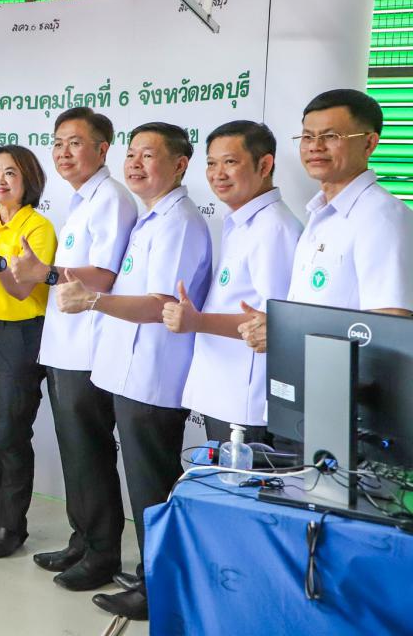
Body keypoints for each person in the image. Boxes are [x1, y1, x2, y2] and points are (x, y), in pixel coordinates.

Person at [56, 121, 212, 621]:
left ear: (180, 164)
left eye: (148, 155)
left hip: (153, 375)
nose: (135, 164)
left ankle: (158, 588)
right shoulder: (152, 218)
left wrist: (93, 300)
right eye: (131, 154)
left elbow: (161, 304)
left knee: (153, 488)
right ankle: (150, 574)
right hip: (130, 372)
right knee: (144, 485)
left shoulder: (179, 222)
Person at [11, 108, 137, 591]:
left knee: (90, 453)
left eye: (75, 143)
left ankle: (102, 554)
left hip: (88, 348)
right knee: (75, 453)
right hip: (65, 345)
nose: (63, 152)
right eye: (58, 143)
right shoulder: (82, 199)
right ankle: (82, 539)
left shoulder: (112, 199)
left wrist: (42, 273)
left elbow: (103, 276)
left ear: (103, 149)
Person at [240, 89, 413, 355]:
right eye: (308, 136)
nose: (315, 146)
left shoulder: (382, 217)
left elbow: (388, 328)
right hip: (309, 372)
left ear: (369, 143)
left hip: (349, 379)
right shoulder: (321, 212)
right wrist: (279, 327)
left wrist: (285, 331)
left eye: (331, 136)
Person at [163, 121, 301, 445]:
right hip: (224, 393)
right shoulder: (242, 222)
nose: (217, 174)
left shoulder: (274, 228)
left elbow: (272, 324)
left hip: (246, 404)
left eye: (230, 162)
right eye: (211, 163)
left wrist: (197, 321)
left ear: (264, 165)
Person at [0, 145, 57, 559]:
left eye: (11, 173)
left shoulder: (38, 227)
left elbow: (22, 290)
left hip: (20, 335)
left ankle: (12, 525)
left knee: (11, 433)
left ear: (29, 180)